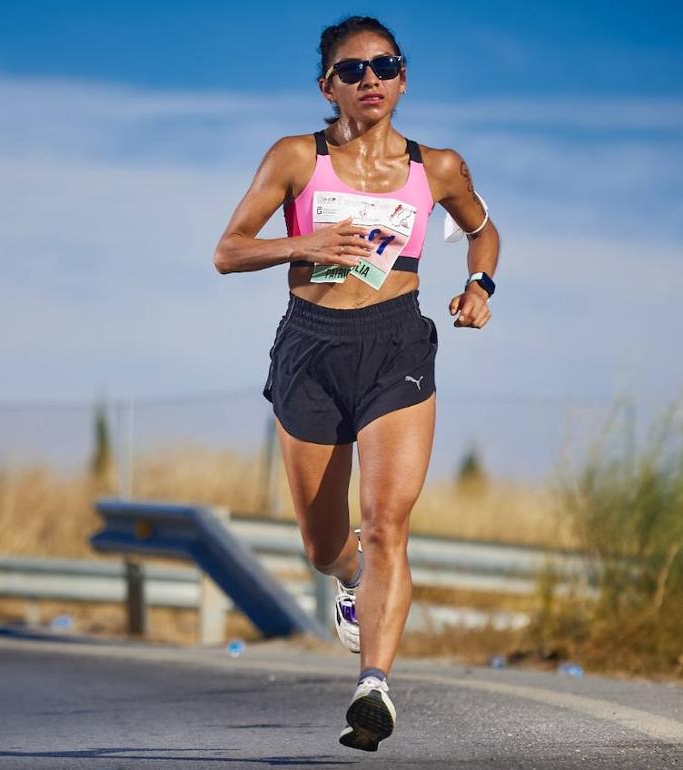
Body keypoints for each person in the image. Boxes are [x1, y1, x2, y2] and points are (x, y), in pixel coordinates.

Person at [212, 15, 500, 752]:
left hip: (396, 344)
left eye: (384, 66)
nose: (369, 79)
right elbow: (228, 251)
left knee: (388, 522)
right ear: (328, 87)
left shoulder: (438, 167)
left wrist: (480, 285)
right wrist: (304, 243)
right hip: (311, 347)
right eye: (352, 70)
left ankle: (373, 686)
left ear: (403, 79)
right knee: (322, 543)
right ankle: (348, 576)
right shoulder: (295, 158)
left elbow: (482, 230)